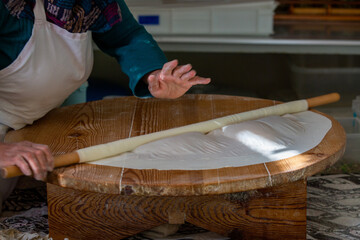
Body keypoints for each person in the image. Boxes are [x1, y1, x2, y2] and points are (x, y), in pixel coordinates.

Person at [0, 0, 210, 214]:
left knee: (87, 205)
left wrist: (154, 76)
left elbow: (126, 37)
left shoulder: (93, 3)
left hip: (53, 114)